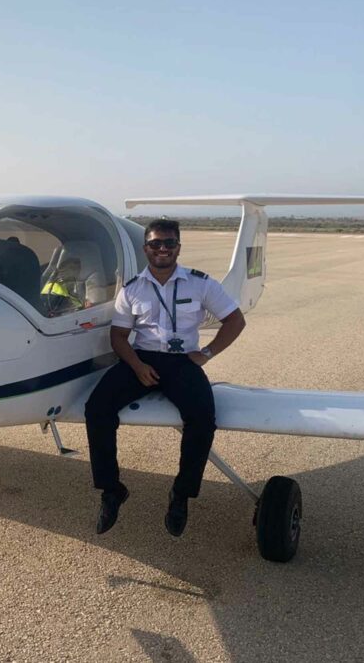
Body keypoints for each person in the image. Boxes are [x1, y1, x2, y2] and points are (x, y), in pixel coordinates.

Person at [85, 219, 246, 536]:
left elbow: (235, 321)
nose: (162, 249)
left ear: (178, 248)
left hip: (183, 361)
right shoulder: (131, 289)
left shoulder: (201, 284)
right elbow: (118, 336)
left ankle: (181, 494)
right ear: (146, 248)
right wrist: (136, 366)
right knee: (97, 409)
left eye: (169, 243)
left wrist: (208, 353)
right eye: (156, 243)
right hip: (141, 358)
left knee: (202, 419)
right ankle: (111, 489)